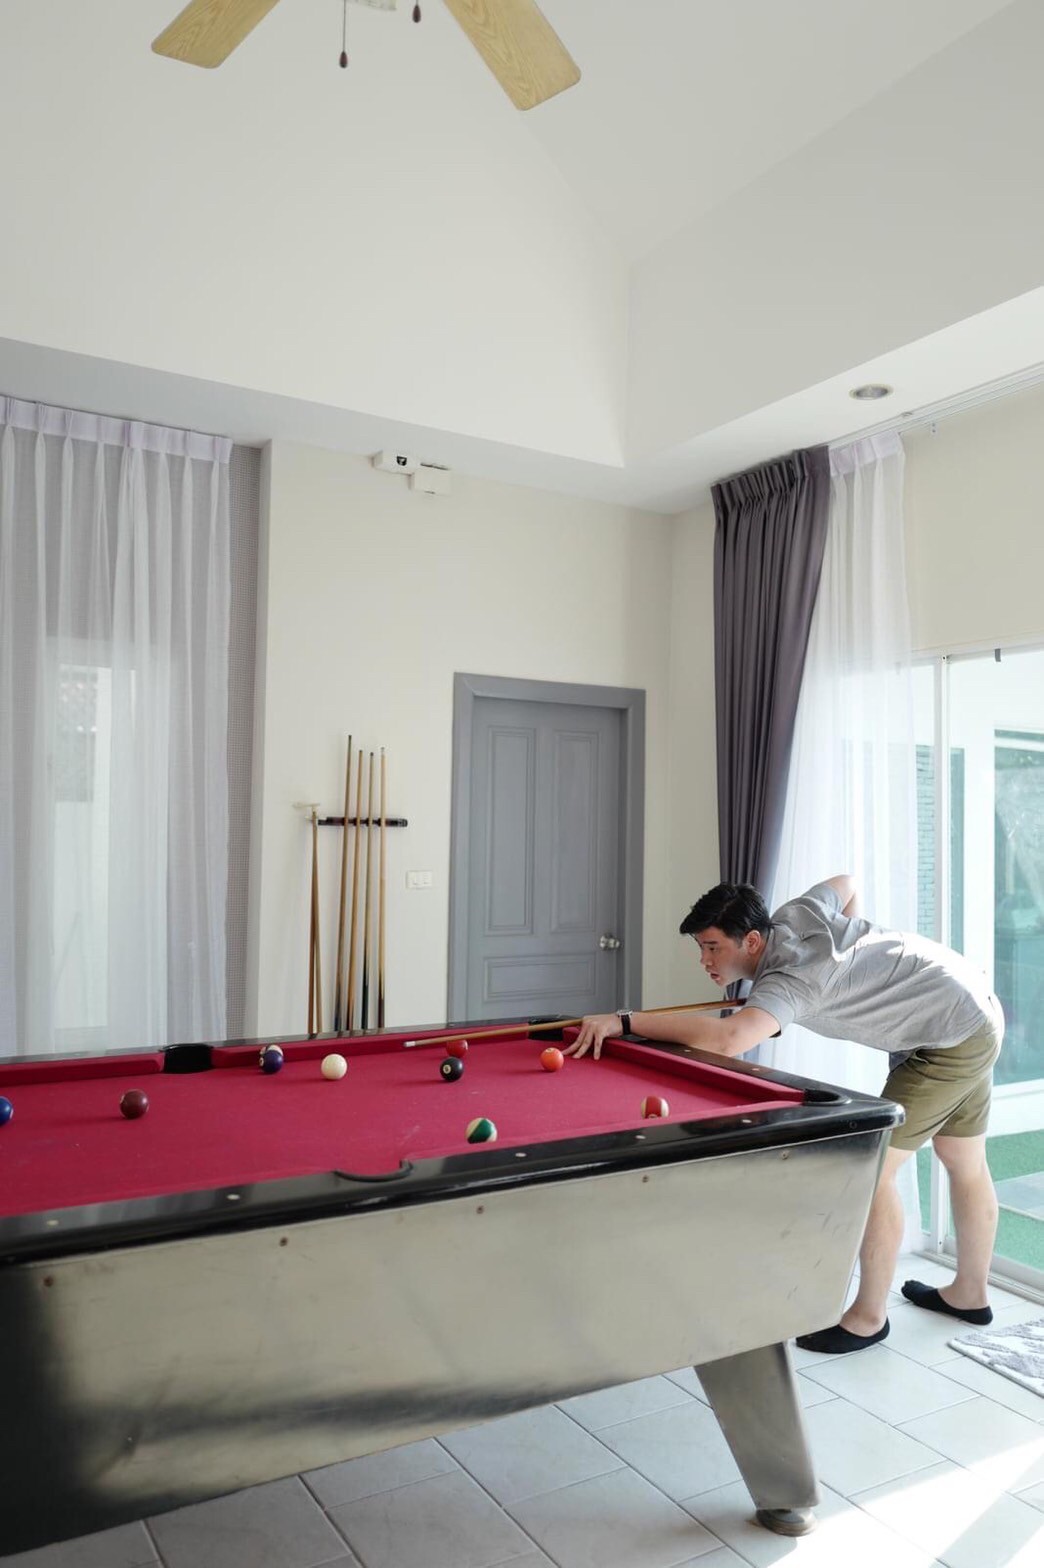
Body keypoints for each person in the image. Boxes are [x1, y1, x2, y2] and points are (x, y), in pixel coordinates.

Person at [567, 877, 1004, 1356]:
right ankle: (969, 1294)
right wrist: (851, 965)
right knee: (963, 1158)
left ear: (752, 940)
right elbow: (846, 885)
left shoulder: (791, 980)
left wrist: (625, 1021)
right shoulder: (797, 914)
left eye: (712, 948)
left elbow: (729, 1040)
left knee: (874, 1169)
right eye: (701, 949)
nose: (705, 961)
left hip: (947, 1038)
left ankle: (869, 1319)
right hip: (973, 1005)